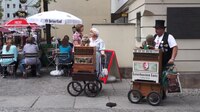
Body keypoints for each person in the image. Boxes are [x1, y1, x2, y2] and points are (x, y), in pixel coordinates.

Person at [153, 20, 178, 99]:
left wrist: (172, 58)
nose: (156, 30)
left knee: (163, 79)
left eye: (158, 29)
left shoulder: (169, 36)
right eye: (156, 28)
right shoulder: (155, 37)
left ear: (163, 29)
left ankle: (162, 94)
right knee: (155, 78)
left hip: (165, 62)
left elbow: (175, 47)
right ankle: (156, 93)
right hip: (156, 63)